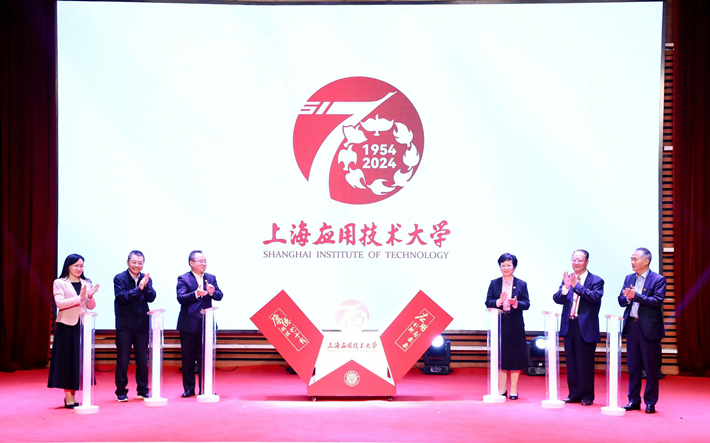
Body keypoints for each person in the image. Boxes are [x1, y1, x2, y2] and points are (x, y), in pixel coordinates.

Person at [47, 254, 100, 408]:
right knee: (67, 362)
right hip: (66, 326)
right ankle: (68, 396)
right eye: (76, 265)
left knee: (79, 361)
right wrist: (80, 297)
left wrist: (89, 296)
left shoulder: (86, 282)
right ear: (68, 266)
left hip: (82, 326)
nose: (79, 269)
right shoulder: (59, 283)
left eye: (81, 266)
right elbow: (60, 303)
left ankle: (75, 395)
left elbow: (91, 306)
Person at [552, 249, 604, 406]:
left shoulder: (596, 280)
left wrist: (577, 286)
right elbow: (557, 299)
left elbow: (594, 297)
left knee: (585, 363)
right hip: (569, 325)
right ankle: (574, 394)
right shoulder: (568, 278)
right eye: (574, 260)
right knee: (571, 362)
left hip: (586, 328)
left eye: (580, 260)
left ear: (587, 262)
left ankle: (587, 395)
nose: (576, 263)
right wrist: (566, 288)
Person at [618, 247, 666, 414]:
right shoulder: (629, 278)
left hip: (649, 329)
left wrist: (635, 296)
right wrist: (626, 298)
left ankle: (650, 402)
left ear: (646, 261)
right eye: (631, 259)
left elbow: (657, 301)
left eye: (635, 259)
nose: (632, 262)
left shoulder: (658, 279)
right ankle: (633, 400)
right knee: (633, 366)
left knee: (651, 367)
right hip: (632, 326)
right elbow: (621, 300)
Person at [176, 250, 224, 398]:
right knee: (188, 358)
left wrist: (212, 292)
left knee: (205, 358)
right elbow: (181, 298)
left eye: (205, 261)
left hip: (206, 325)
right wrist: (196, 294)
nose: (204, 264)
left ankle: (206, 388)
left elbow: (220, 296)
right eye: (200, 261)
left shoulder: (211, 278)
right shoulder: (183, 278)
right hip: (189, 324)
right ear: (191, 263)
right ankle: (189, 389)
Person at [484, 253, 530, 400]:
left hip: (515, 323)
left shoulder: (521, 284)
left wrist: (516, 303)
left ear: (514, 266)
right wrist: (499, 301)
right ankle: (502, 389)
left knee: (515, 356)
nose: (505, 268)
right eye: (503, 265)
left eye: (508, 265)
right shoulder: (494, 283)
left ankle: (514, 388)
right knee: (502, 356)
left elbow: (527, 304)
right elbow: (488, 302)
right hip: (500, 323)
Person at [113, 250, 156, 402]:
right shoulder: (119, 278)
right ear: (128, 262)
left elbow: (151, 297)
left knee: (143, 360)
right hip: (125, 326)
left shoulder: (146, 278)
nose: (137, 265)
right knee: (123, 360)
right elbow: (122, 297)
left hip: (142, 325)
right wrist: (139, 288)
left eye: (140, 263)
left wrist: (146, 286)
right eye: (134, 262)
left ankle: (143, 390)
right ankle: (121, 392)